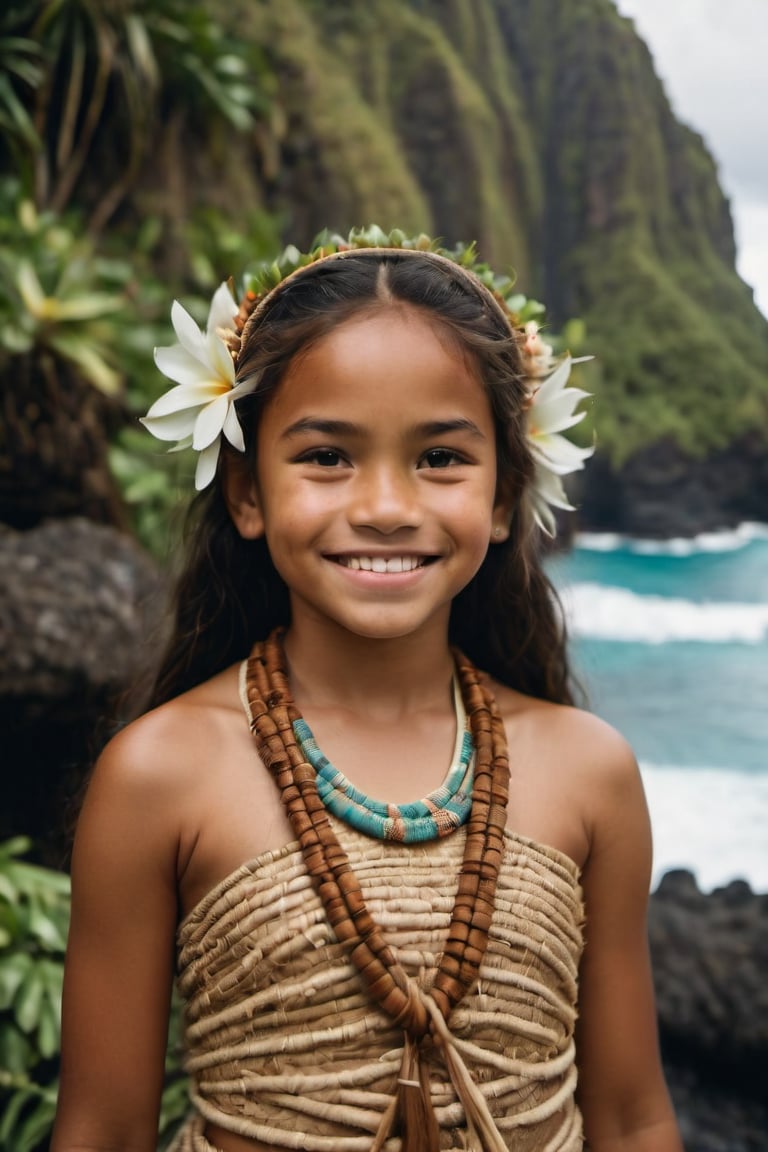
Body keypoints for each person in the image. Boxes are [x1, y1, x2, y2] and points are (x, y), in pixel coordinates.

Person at [51, 227, 683, 1152]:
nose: (386, 504)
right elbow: (101, 1130)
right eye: (326, 456)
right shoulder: (158, 775)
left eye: (440, 459)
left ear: (505, 496)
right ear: (246, 492)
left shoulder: (589, 772)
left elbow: (632, 1119)